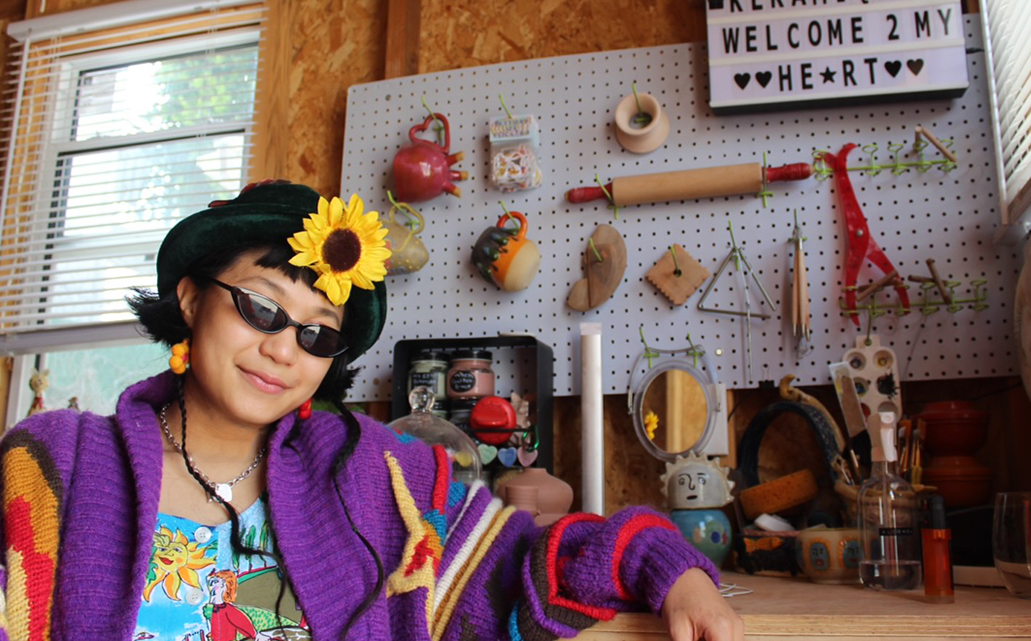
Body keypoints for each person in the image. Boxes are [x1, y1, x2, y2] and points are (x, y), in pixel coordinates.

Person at [0, 181, 744, 641]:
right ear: (192, 300)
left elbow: (524, 559)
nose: (282, 349)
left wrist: (668, 567)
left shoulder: (376, 478)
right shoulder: (55, 465)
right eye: (261, 306)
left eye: (316, 333)